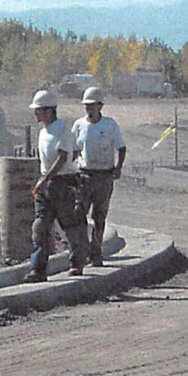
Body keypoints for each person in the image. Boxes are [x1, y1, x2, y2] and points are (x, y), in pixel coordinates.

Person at [24, 89, 89, 283]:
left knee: (69, 225)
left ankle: (77, 262)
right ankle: (38, 269)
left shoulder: (62, 130)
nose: (35, 113)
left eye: (38, 110)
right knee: (40, 227)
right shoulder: (43, 131)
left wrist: (46, 180)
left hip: (62, 183)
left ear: (49, 110)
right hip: (46, 183)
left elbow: (63, 157)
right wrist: (43, 179)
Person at [72, 87, 127, 268]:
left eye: (93, 106)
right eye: (87, 106)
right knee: (79, 215)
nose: (89, 109)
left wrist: (118, 167)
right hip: (84, 175)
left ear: (100, 106)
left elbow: (121, 147)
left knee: (99, 216)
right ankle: (83, 250)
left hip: (104, 176)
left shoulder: (109, 125)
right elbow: (73, 150)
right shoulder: (79, 126)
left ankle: (96, 253)